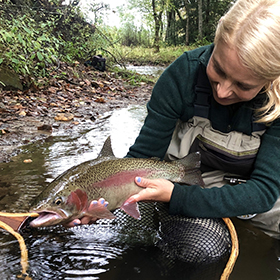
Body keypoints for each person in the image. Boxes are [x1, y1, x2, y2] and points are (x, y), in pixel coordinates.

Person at [67, 0, 280, 251]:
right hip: (186, 181)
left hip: (260, 188)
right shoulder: (182, 76)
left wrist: (177, 197)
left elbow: (265, 191)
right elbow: (144, 157)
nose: (222, 92)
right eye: (218, 69)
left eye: (243, 86)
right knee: (198, 248)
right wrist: (105, 197)